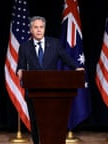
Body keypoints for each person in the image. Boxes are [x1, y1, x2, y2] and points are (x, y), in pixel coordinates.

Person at [16, 16, 84, 144]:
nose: (39, 30)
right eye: (36, 27)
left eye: (41, 27)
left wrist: (76, 68)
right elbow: (21, 66)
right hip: (33, 92)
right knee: (36, 122)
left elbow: (66, 59)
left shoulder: (54, 43)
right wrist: (20, 71)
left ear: (45, 28)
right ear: (31, 29)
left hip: (53, 92)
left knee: (53, 121)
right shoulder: (24, 47)